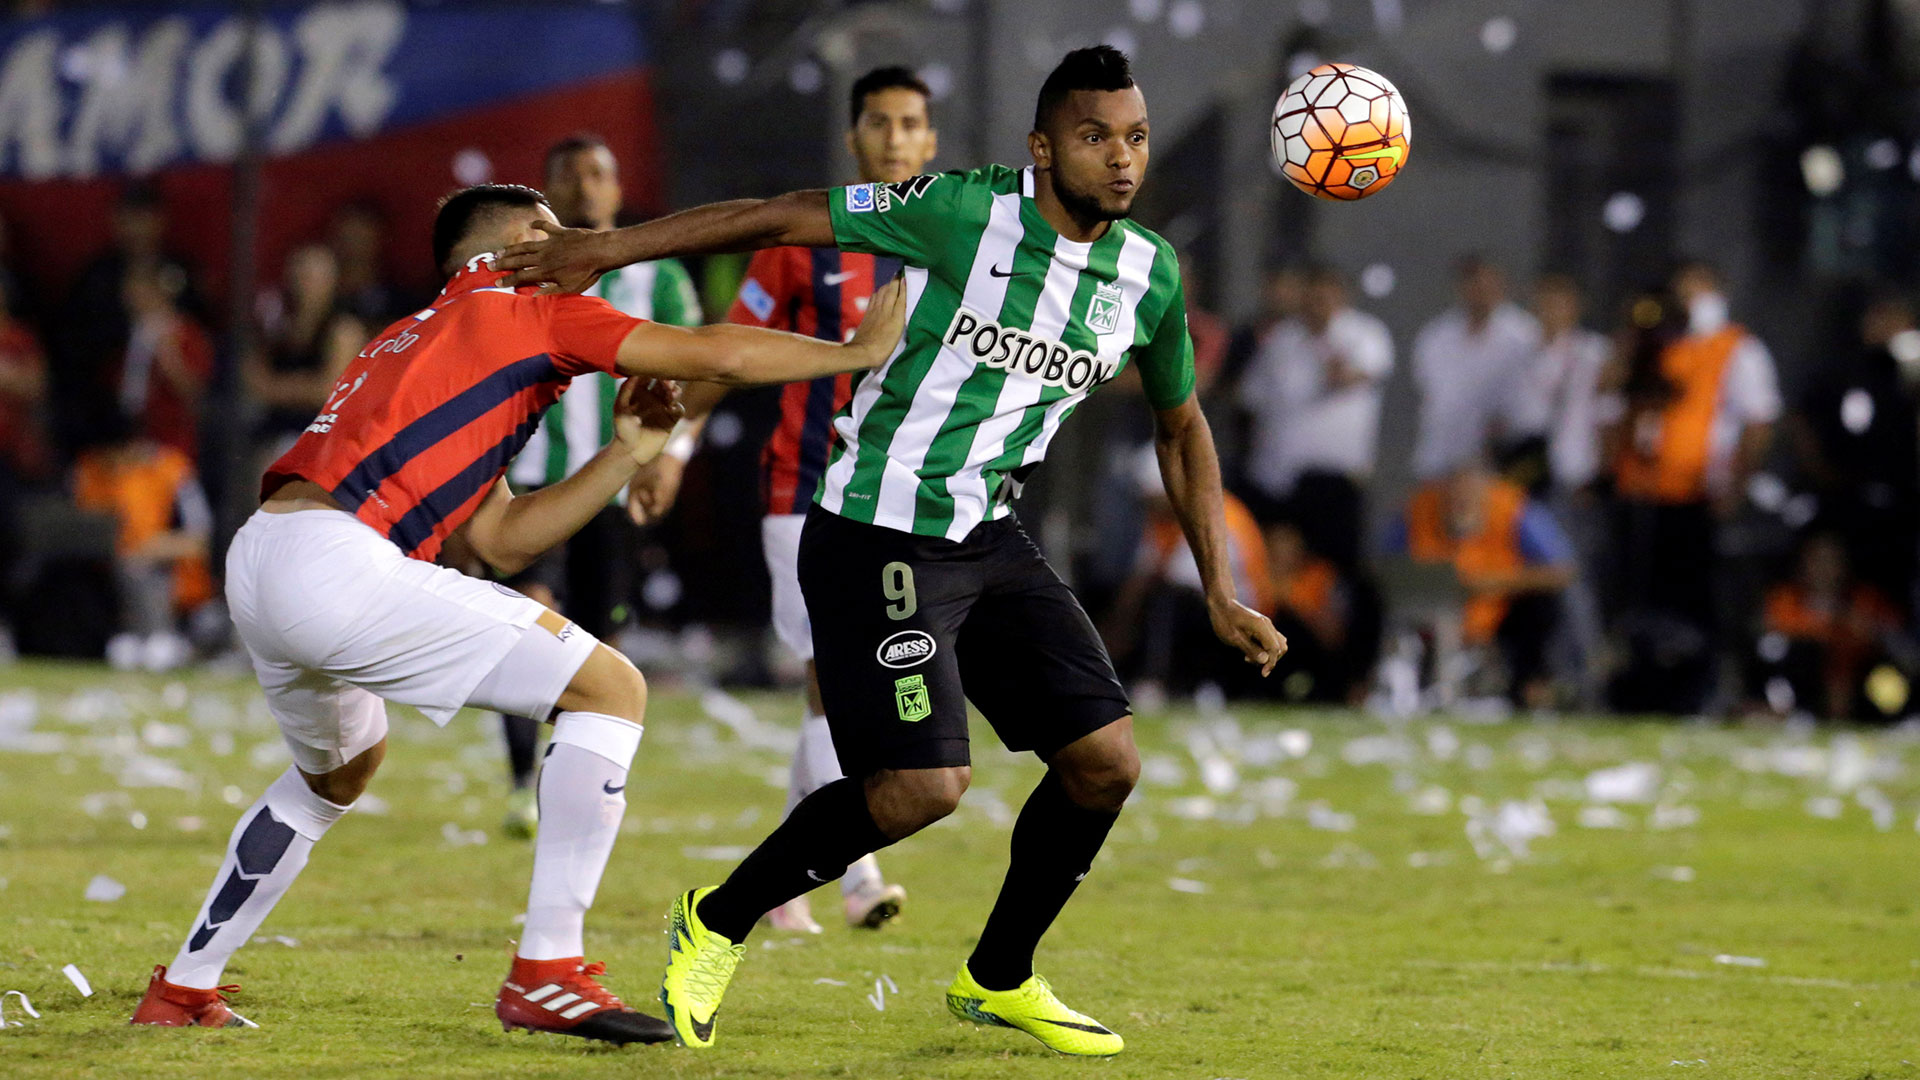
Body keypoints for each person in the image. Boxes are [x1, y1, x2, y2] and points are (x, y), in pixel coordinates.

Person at [500, 44, 1285, 1056]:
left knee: (1105, 763)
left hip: (988, 535)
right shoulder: (962, 210)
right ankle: (719, 920)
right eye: (1095, 138)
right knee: (923, 788)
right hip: (875, 528)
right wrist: (611, 252)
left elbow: (1182, 428)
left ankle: (998, 975)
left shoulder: (1150, 273)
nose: (1122, 160)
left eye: (1133, 138)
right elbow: (779, 215)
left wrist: (1220, 587)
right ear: (1043, 147)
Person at [129, 184, 903, 1044]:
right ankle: (548, 971)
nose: (579, 249)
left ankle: (183, 986)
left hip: (267, 556)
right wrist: (855, 351)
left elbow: (500, 538)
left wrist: (624, 456)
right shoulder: (532, 305)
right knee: (612, 689)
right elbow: (711, 354)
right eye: (559, 234)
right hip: (338, 564)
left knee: (337, 776)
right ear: (524, 245)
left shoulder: (413, 336)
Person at [645, 67, 934, 933]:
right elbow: (725, 352)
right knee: (828, 679)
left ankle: (783, 879)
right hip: (801, 488)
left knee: (857, 686)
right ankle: (857, 878)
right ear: (853, 139)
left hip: (904, 494)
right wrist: (679, 444)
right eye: (877, 123)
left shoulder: (957, 242)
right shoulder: (804, 240)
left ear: (931, 139)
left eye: (910, 123)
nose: (893, 138)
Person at [492, 132, 707, 840]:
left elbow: (701, 372)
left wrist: (672, 455)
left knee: (596, 644)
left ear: (617, 191)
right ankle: (526, 784)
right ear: (546, 191)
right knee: (532, 625)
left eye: (598, 174)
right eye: (570, 175)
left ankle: (569, 781)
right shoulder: (517, 273)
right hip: (528, 484)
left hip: (610, 494)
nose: (586, 186)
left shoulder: (659, 277)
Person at [1608, 263, 1780, 713]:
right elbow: (1620, 399)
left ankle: (1704, 692)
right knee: (1644, 601)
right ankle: (1648, 690)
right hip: (1647, 496)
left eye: (1692, 289)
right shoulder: (1659, 342)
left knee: (1699, 602)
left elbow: (1759, 421)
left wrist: (1736, 485)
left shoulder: (1736, 347)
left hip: (1700, 497)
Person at [1234, 263, 1392, 568]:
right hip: (1278, 477)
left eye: (1326, 298)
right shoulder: (1283, 339)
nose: (1318, 305)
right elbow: (1251, 397)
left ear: (1342, 298)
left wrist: (1331, 354)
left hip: (1332, 479)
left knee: (1330, 570)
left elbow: (1354, 375)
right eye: (1313, 297)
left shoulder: (1364, 333)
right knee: (1269, 568)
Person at [1386, 462, 1575, 708]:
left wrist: (1493, 582)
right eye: (1455, 491)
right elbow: (1382, 567)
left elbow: (1563, 570)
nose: (1462, 499)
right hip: (1431, 612)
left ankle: (1532, 689)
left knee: (1543, 607)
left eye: (1470, 492)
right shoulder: (1418, 510)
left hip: (1497, 607)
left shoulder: (1514, 510)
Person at [1103, 445, 1273, 701]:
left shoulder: (1215, 513)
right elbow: (1139, 578)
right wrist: (1118, 624)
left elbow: (1185, 583)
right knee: (1128, 599)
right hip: (1207, 610)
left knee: (1167, 600)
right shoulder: (1165, 520)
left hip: (1243, 617)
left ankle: (1160, 679)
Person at [1787, 289, 1919, 604]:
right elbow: (1802, 415)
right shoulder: (1843, 367)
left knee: (1893, 585)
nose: (1883, 326)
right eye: (1878, 317)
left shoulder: (1908, 370)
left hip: (1900, 499)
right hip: (1843, 496)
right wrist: (1818, 468)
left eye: (1893, 319)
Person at [71, 410, 215, 671]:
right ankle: (125, 635)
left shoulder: (172, 470)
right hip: (111, 581)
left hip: (171, 582)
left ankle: (165, 635)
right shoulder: (91, 470)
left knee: (139, 566)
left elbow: (199, 540)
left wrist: (154, 547)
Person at [1410, 255, 1541, 480]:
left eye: (1488, 284)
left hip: (1504, 458)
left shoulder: (1526, 334)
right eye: (1474, 284)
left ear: (1502, 286)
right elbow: (1430, 393)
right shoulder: (1436, 336)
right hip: (1443, 456)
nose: (1481, 291)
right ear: (1461, 287)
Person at [1754, 530, 1905, 720]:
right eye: (1817, 560)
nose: (1824, 568)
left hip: (1860, 687)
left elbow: (1898, 645)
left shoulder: (1866, 600)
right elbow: (1773, 643)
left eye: (1831, 560)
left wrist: (1870, 633)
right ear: (1802, 565)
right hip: (1804, 687)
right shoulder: (1785, 599)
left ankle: (1894, 720)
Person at [246, 244, 369, 455]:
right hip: (274, 429)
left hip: (322, 436)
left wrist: (278, 388)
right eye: (301, 274)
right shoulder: (278, 323)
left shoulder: (343, 329)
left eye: (314, 277)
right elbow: (253, 381)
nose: (305, 284)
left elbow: (328, 391)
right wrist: (301, 386)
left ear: (332, 281)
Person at [119, 264, 213, 461]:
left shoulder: (186, 334)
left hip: (175, 442)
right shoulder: (127, 333)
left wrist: (168, 354)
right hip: (134, 436)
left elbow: (194, 393)